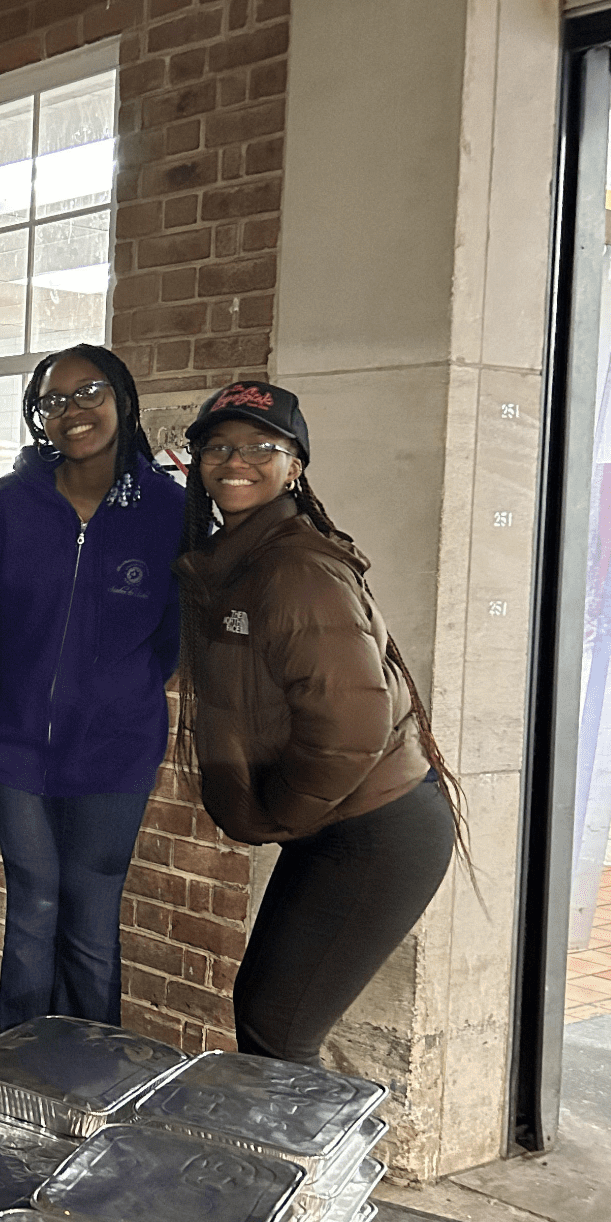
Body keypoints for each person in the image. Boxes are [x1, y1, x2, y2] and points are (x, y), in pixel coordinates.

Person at [176, 381, 459, 1066]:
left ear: (294, 465)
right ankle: (299, 1167)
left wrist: (281, 817)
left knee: (278, 1025)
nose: (235, 460)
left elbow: (351, 727)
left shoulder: (293, 566)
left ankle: (309, 1171)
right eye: (218, 446)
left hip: (376, 828)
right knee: (269, 1012)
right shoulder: (239, 556)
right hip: (341, 821)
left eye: (259, 447)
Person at [0, 344, 185, 1033]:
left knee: (92, 925)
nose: (73, 411)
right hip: (15, 748)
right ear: (38, 418)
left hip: (116, 752)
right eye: (53, 400)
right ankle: (19, 1080)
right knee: (32, 909)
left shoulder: (167, 510)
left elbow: (170, 638)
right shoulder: (9, 504)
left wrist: (116, 699)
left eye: (88, 391)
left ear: (122, 397)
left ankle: (92, 1081)